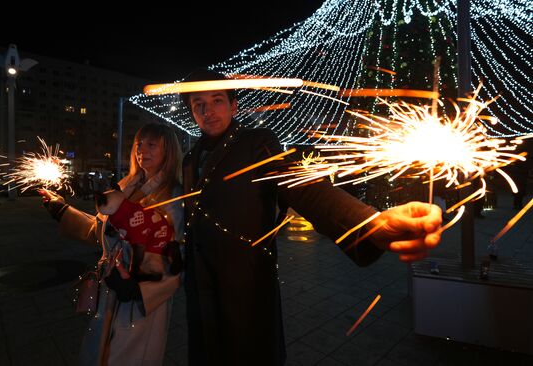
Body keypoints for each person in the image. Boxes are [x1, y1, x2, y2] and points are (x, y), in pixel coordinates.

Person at [179, 68, 443, 366]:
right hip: (200, 292)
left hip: (245, 289)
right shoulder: (190, 159)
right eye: (198, 104)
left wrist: (370, 223)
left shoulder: (256, 144)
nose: (208, 110)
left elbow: (305, 188)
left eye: (217, 100)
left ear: (234, 105)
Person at [39, 122, 184, 366]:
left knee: (129, 356)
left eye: (151, 145)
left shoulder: (173, 197)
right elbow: (103, 231)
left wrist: (138, 289)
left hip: (139, 301)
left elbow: (175, 257)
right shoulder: (126, 186)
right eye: (139, 144)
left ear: (168, 151)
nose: (142, 151)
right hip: (111, 289)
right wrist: (61, 209)